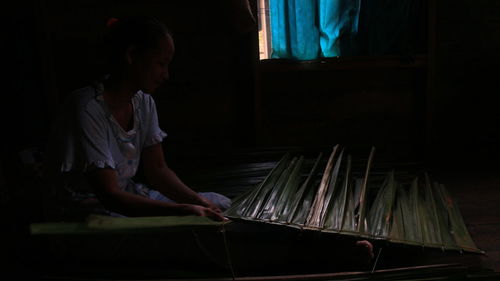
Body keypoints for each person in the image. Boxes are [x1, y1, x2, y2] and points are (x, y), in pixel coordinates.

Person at [44, 16, 230, 222]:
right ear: (132, 55)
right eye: (161, 63)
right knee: (189, 218)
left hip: (127, 196)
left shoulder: (144, 103)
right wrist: (183, 209)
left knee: (220, 203)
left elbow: (158, 170)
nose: (165, 74)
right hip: (90, 209)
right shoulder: (87, 108)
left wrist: (198, 202)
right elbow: (110, 196)